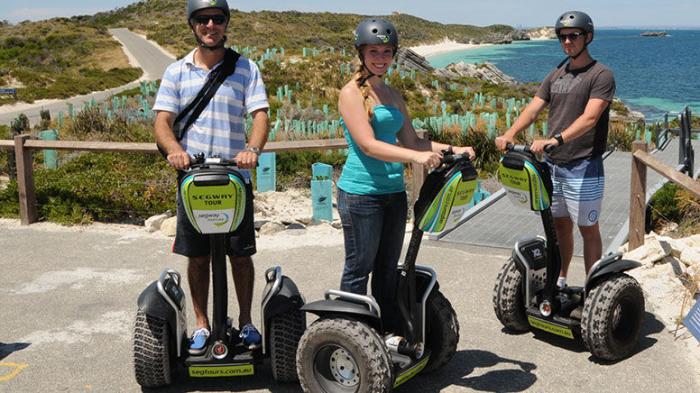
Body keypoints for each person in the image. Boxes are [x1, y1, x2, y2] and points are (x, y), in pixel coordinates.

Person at [337, 18, 475, 332]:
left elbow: (412, 140)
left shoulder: (392, 94)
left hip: (393, 194)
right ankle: (349, 332)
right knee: (359, 269)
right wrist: (416, 157)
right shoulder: (352, 94)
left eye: (387, 52)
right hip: (361, 194)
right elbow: (369, 145)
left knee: (387, 271)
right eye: (374, 51)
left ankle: (383, 332)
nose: (381, 57)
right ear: (362, 52)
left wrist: (454, 148)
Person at [153, 0, 269, 354]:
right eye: (203, 19)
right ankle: (202, 324)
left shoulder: (246, 68)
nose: (210, 25)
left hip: (235, 180)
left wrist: (252, 149)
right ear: (192, 25)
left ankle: (247, 321)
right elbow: (162, 122)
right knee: (198, 257)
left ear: (226, 24)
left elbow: (260, 115)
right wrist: (174, 149)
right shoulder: (176, 72)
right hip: (194, 181)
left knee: (240, 255)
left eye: (217, 19)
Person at [495, 11, 615, 288]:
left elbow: (590, 118)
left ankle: (592, 289)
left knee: (588, 229)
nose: (567, 41)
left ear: (588, 37)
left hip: (584, 164)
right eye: (562, 36)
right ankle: (560, 280)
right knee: (559, 227)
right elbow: (534, 108)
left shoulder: (601, 75)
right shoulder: (557, 73)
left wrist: (557, 139)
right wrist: (510, 133)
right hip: (553, 165)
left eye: (574, 35)